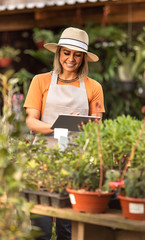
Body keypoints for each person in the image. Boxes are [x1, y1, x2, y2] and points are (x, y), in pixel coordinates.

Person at [24, 27, 105, 240]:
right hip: (42, 160)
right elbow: (31, 121)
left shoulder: (93, 87)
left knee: (67, 229)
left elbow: (97, 125)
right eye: (66, 52)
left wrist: (78, 125)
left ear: (84, 58)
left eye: (77, 54)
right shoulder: (39, 81)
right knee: (39, 224)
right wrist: (59, 126)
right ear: (59, 53)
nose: (71, 58)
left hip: (75, 163)